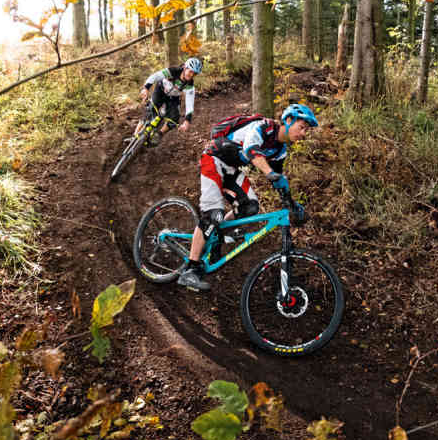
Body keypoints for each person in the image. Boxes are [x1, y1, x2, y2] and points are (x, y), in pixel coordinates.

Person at [178, 103, 319, 291]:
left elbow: (278, 181)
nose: (303, 134)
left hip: (230, 169)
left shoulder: (280, 150)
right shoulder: (264, 126)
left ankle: (216, 236)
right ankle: (190, 269)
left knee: (249, 207)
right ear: (288, 120)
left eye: (306, 130)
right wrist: (270, 173)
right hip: (213, 158)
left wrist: (291, 203)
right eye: (302, 127)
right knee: (213, 214)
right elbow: (251, 149)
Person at [134, 57, 202, 144]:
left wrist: (187, 121)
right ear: (185, 67)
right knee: (150, 110)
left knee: (174, 119)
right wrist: (146, 88)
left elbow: (189, 104)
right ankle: (134, 135)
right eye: (190, 71)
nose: (192, 75)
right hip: (161, 90)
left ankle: (159, 134)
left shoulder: (190, 86)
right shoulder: (173, 71)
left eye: (195, 74)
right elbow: (156, 76)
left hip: (173, 98)